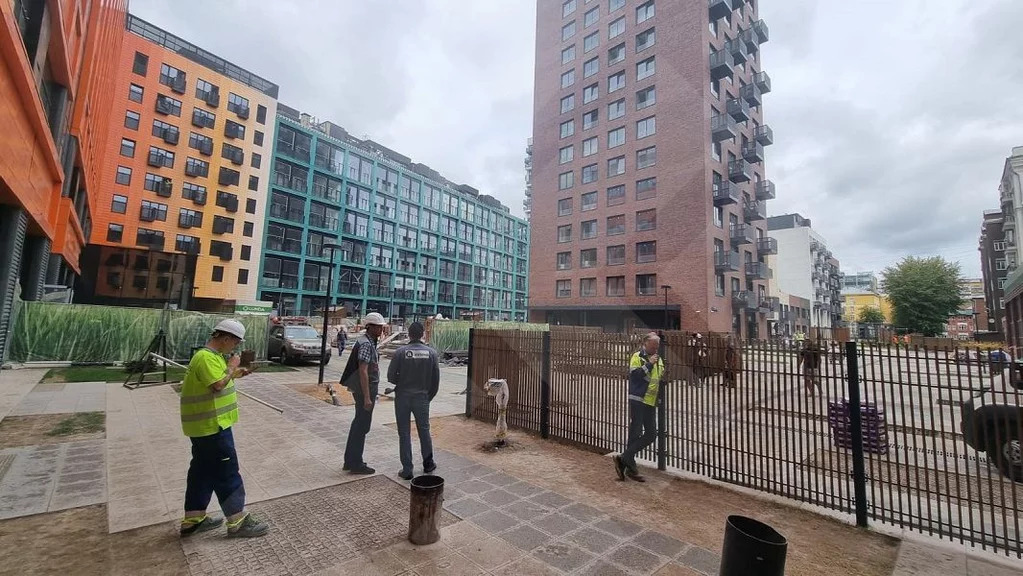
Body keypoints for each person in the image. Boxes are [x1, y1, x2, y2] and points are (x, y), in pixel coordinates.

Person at [179, 319, 268, 538]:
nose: (235, 347)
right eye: (235, 342)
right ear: (225, 338)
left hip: (204, 427)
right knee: (226, 472)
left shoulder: (213, 358)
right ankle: (237, 520)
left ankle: (193, 518)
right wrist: (231, 367)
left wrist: (236, 373)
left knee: (202, 472)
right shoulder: (206, 358)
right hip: (213, 426)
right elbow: (217, 385)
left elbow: (221, 380)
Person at [386, 322, 440, 480]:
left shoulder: (400, 352)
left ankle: (407, 469)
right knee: (424, 431)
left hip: (402, 397)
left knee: (404, 433)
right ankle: (428, 464)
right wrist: (428, 397)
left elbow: (390, 377)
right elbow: (435, 380)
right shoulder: (431, 353)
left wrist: (401, 380)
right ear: (422, 334)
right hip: (422, 398)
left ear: (409, 334)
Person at [613, 333, 664, 482]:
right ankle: (631, 469)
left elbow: (658, 380)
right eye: (653, 345)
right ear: (645, 343)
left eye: (657, 346)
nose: (655, 349)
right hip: (638, 400)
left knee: (651, 434)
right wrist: (649, 364)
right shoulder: (637, 356)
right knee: (635, 432)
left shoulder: (659, 359)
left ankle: (624, 458)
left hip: (650, 401)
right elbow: (635, 376)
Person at [340, 312, 386, 474]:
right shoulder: (366, 344)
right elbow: (363, 371)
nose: (381, 330)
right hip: (365, 390)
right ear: (370, 327)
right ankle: (356, 463)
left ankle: (350, 460)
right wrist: (367, 397)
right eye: (378, 327)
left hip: (364, 389)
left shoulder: (366, 341)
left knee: (358, 424)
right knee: (362, 426)